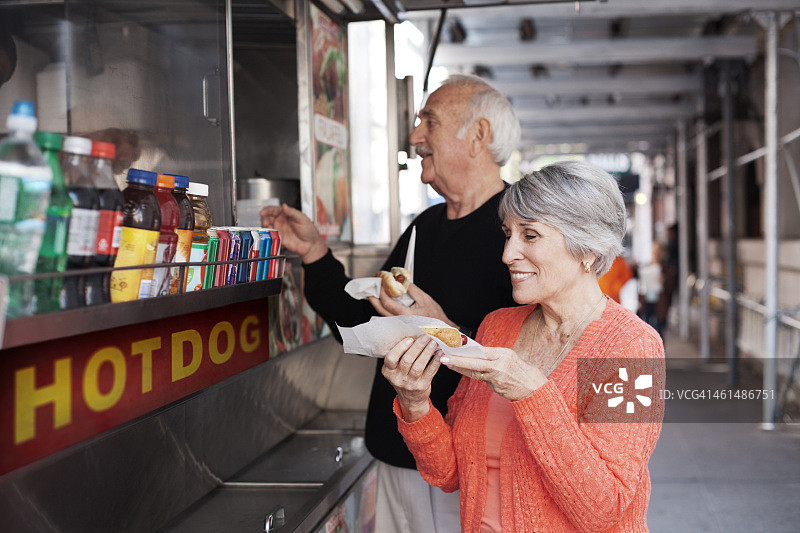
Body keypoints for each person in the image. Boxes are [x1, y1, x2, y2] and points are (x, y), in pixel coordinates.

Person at [260, 74, 520, 533]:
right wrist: (315, 254)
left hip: (465, 469)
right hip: (396, 449)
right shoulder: (424, 227)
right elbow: (364, 322)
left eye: (429, 122)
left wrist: (440, 327)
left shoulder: (517, 232)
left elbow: (529, 367)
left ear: (478, 136)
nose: (415, 137)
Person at [383, 160, 664, 532]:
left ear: (587, 249)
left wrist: (531, 392)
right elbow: (450, 474)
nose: (507, 254)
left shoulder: (629, 347)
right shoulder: (499, 326)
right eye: (508, 233)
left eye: (530, 235)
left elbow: (603, 509)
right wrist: (415, 402)